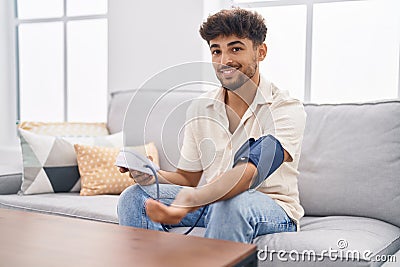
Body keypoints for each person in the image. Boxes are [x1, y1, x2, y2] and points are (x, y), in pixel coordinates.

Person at [118, 8, 306, 243]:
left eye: (236, 49)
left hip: (271, 208)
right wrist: (152, 176)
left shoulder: (284, 108)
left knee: (231, 203)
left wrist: (189, 201)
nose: (224, 61)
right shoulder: (200, 108)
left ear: (261, 52)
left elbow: (248, 173)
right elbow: (188, 178)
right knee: (134, 197)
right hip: (213, 203)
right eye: (216, 51)